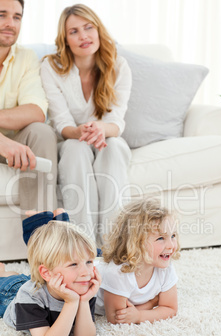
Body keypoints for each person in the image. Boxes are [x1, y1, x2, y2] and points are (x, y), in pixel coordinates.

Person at [40, 4, 132, 246]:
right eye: (74, 31)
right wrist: (80, 132)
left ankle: (115, 244)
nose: (83, 36)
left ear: (99, 30)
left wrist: (101, 130)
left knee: (114, 147)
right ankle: (84, 244)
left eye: (88, 27)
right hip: (71, 139)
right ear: (65, 39)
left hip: (107, 137)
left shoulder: (119, 65)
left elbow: (116, 120)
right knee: (75, 149)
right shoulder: (50, 67)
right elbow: (62, 123)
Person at [0, 209, 101, 336]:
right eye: (73, 264)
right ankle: (3, 272)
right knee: (10, 280)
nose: (86, 272)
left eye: (89, 262)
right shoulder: (29, 296)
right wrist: (71, 303)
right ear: (47, 273)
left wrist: (83, 301)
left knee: (25, 278)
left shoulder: (82, 286)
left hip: (45, 282)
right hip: (10, 293)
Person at [0, 0, 57, 217]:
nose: (10, 24)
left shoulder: (25, 58)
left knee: (41, 131)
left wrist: (8, 144)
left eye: (17, 17)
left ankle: (43, 236)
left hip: (14, 147)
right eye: (1, 15)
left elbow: (36, 111)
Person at [95, 198, 180, 324]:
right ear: (135, 243)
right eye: (161, 238)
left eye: (173, 236)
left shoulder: (164, 265)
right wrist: (152, 303)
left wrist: (139, 315)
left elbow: (170, 308)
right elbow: (116, 318)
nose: (171, 245)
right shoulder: (118, 272)